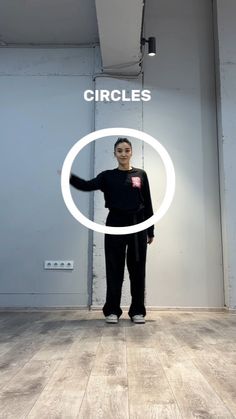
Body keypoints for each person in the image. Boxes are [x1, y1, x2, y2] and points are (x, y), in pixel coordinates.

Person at [68, 137, 154, 324]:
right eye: (120, 150)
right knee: (114, 268)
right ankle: (112, 310)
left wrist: (150, 230)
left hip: (138, 224)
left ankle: (137, 311)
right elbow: (87, 185)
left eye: (127, 150)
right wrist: (69, 176)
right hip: (115, 222)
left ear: (131, 152)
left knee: (138, 269)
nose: (123, 153)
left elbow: (147, 202)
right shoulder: (107, 176)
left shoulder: (141, 174)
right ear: (114, 153)